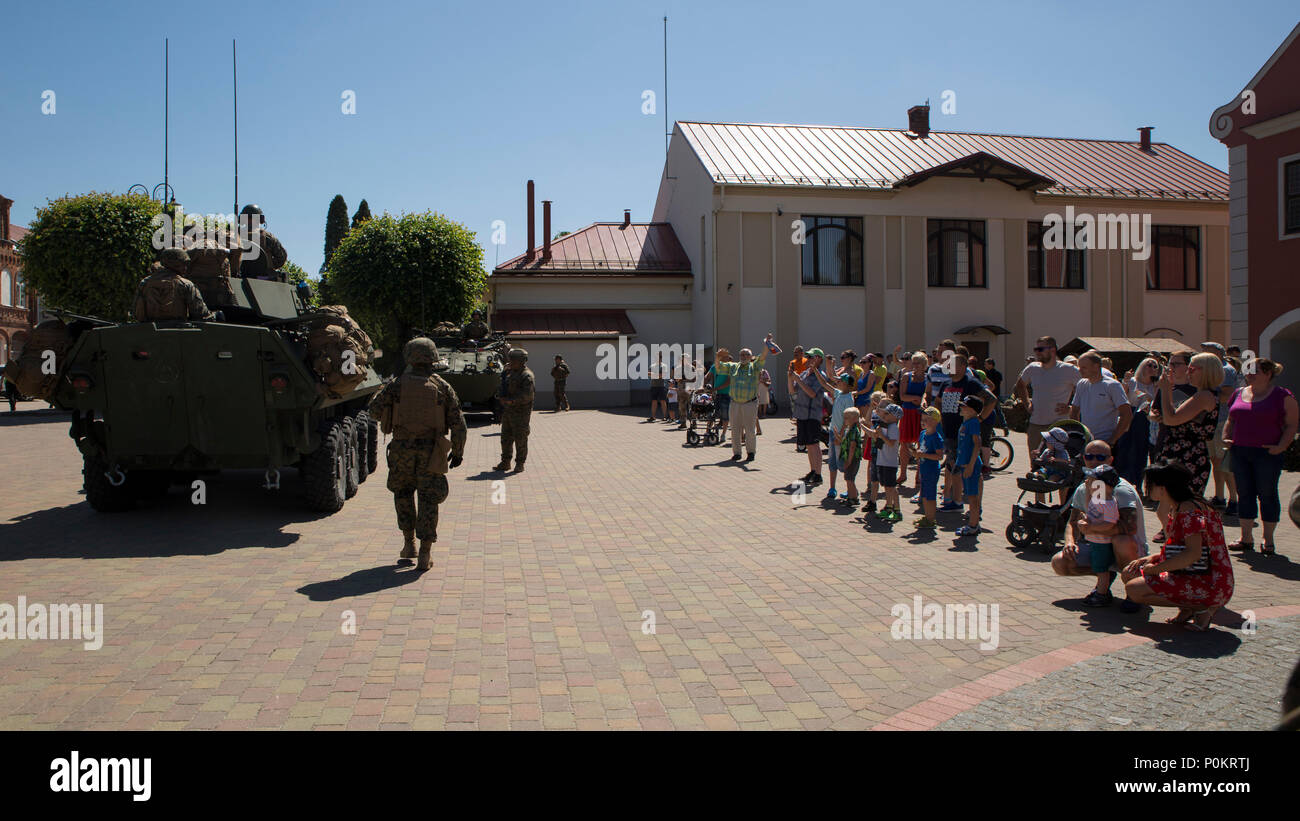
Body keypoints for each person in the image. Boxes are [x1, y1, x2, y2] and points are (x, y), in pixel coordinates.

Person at [369, 337, 467, 570]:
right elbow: (459, 423)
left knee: (403, 494)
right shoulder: (442, 386)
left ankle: (408, 544)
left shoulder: (396, 385)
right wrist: (458, 451)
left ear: (410, 357)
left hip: (401, 450)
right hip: (431, 452)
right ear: (433, 358)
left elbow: (374, 411)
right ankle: (425, 553)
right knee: (428, 499)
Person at [1122, 461, 1234, 631]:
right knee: (1130, 572)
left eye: (1150, 484)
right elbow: (1178, 547)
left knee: (1134, 589)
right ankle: (1187, 608)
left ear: (1162, 488)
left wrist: (1155, 569)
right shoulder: (1182, 506)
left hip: (1210, 581)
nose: (1147, 489)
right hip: (1196, 574)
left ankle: (1201, 608)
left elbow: (1193, 554)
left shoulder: (1189, 512)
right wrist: (1152, 559)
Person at [1051, 440, 1149, 612]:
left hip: (1127, 548)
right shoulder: (1084, 488)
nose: (1094, 461)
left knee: (1121, 541)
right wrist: (1069, 542)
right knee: (1061, 562)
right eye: (1089, 456)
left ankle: (1134, 589)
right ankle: (1105, 581)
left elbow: (1129, 527)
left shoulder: (1120, 489)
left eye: (1100, 457)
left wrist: (1093, 529)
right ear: (1084, 459)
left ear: (1110, 460)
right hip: (1099, 544)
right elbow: (1073, 522)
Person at [1224, 357, 1298, 555]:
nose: (1249, 375)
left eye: (1254, 371)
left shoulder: (1282, 396)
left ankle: (1268, 539)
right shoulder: (1239, 393)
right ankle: (1246, 537)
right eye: (1247, 370)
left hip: (1267, 453)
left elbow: (1292, 424)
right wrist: (1226, 437)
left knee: (1267, 494)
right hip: (1240, 451)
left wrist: (1281, 446)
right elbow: (1231, 418)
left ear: (1268, 373)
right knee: (1244, 493)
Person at [1152, 352, 1223, 518]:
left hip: (1189, 457)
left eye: (1192, 369)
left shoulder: (1203, 396)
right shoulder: (1202, 394)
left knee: (1181, 511)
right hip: (1183, 454)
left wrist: (1165, 390)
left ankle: (1183, 542)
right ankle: (1175, 541)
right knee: (1167, 510)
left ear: (1206, 371)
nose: (1188, 372)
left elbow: (1171, 419)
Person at [938, 354, 997, 512]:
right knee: (953, 468)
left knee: (972, 471)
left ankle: (976, 507)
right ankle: (957, 502)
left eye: (952, 364)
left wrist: (979, 419)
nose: (948, 366)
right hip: (949, 433)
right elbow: (938, 401)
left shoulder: (971, 383)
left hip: (966, 434)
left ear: (963, 367)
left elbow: (991, 400)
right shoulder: (946, 383)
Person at [714, 335, 779, 462]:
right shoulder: (733, 366)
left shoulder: (754, 367)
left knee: (749, 430)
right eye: (742, 355)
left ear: (750, 357)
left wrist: (767, 344)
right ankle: (737, 453)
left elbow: (763, 356)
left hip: (749, 403)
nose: (743, 357)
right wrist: (717, 357)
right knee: (735, 430)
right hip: (735, 403)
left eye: (746, 355)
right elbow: (719, 367)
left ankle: (751, 453)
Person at [1013, 336, 1079, 453]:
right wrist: (1027, 403)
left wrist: (1071, 408)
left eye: (1040, 349)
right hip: (1035, 424)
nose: (1037, 353)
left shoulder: (1069, 369)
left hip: (1059, 425)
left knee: (1057, 463)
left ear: (1053, 350)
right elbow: (1020, 385)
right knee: (1035, 464)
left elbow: (1084, 390)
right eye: (1035, 349)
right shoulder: (1032, 368)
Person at [1202, 341, 1239, 514]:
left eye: (1207, 351)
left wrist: (1207, 395)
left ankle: (1234, 499)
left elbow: (1226, 396)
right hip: (1211, 421)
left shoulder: (1227, 370)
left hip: (1222, 421)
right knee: (1216, 461)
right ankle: (1219, 496)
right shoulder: (1210, 371)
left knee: (1225, 464)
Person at [1077, 465, 1122, 604]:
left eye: (1093, 482)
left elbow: (1110, 524)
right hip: (1095, 541)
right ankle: (1101, 590)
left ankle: (1101, 595)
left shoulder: (1108, 503)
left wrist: (1091, 527)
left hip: (1102, 542)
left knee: (1102, 570)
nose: (1089, 483)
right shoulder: (1097, 498)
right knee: (1098, 568)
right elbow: (1088, 505)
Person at [133, 248, 215, 322]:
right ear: (177, 264)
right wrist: (214, 316)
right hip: (178, 333)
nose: (186, 268)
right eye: (184, 264)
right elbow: (201, 315)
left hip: (149, 331)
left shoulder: (145, 282)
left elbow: (136, 312)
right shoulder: (186, 284)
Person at [1069, 351, 1132, 447]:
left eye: (1084, 367)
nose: (1080, 370)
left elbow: (1126, 414)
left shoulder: (1112, 385)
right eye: (1079, 367)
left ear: (1096, 366)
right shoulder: (1082, 384)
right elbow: (1074, 411)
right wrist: (1079, 434)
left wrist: (1112, 440)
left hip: (1105, 442)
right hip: (1086, 441)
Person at [814, 369, 858, 500]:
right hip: (834, 434)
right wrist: (816, 370)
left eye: (841, 381)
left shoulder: (848, 399)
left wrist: (840, 435)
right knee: (832, 461)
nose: (838, 382)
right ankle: (832, 488)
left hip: (842, 436)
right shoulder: (838, 393)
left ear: (848, 385)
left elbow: (848, 418)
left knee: (844, 464)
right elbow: (824, 383)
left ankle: (850, 489)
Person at [494, 348, 535, 472]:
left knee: (520, 438)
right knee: (505, 437)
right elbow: (503, 386)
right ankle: (505, 462)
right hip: (508, 411)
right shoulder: (509, 372)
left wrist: (512, 401)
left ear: (521, 361)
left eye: (513, 360)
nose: (510, 362)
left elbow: (527, 396)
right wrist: (501, 397)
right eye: (510, 360)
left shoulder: (526, 375)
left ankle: (520, 463)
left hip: (521, 412)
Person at [792, 347, 827, 485]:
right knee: (808, 444)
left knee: (814, 444)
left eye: (812, 357)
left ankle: (818, 473)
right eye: (808, 357)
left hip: (813, 414)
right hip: (802, 414)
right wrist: (791, 377)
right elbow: (793, 390)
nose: (809, 360)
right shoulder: (805, 373)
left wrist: (798, 380)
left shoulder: (821, 375)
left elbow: (812, 393)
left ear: (819, 359)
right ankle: (813, 471)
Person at [867, 403, 903, 522]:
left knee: (890, 487)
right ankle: (895, 509)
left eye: (888, 414)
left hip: (889, 462)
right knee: (889, 486)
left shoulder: (893, 428)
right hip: (883, 460)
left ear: (895, 417)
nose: (885, 416)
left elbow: (891, 443)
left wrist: (881, 435)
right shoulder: (885, 426)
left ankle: (890, 508)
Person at [954, 396, 984, 537]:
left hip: (970, 464)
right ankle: (973, 523)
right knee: (969, 495)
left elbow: (977, 443)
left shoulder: (973, 423)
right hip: (964, 462)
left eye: (964, 406)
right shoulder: (966, 421)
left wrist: (971, 465)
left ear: (973, 410)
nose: (961, 408)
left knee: (972, 497)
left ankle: (973, 525)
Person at [898, 353, 928, 486]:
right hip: (907, 412)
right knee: (904, 444)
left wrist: (920, 400)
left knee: (921, 444)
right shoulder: (906, 376)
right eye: (914, 363)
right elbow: (902, 396)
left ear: (924, 365)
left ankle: (919, 475)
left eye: (918, 363)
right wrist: (916, 399)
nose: (915, 366)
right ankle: (902, 474)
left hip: (921, 414)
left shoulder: (928, 378)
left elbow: (927, 395)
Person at [236, 204, 288, 280]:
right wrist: (268, 265)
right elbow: (282, 257)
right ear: (261, 219)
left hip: (238, 278)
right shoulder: (268, 238)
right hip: (263, 279)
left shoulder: (234, 236)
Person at [911, 407, 944, 528]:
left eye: (927, 419)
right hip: (924, 468)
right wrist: (916, 453)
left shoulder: (936, 437)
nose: (923, 421)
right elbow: (921, 450)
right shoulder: (922, 434)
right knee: (924, 494)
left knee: (930, 495)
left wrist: (922, 455)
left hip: (931, 470)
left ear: (935, 421)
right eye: (922, 419)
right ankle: (927, 516)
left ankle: (931, 519)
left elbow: (939, 456)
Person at [648, 353, 668, 422]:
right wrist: (657, 375)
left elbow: (662, 375)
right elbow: (648, 374)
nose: (656, 359)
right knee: (654, 401)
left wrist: (654, 374)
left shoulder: (664, 366)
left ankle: (665, 416)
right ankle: (653, 416)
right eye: (655, 357)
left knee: (663, 401)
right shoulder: (652, 366)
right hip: (653, 386)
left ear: (660, 358)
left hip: (661, 386)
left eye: (658, 357)